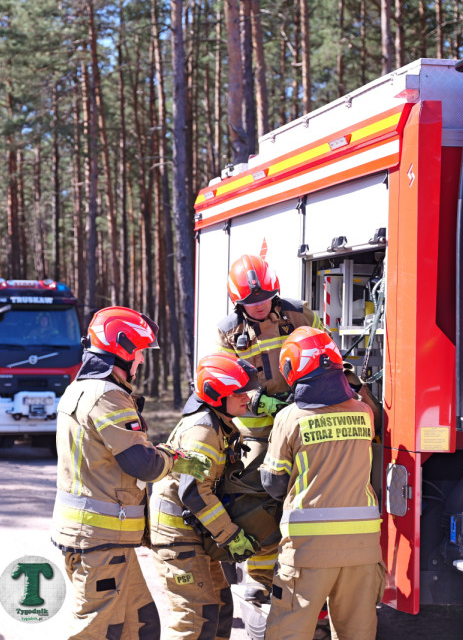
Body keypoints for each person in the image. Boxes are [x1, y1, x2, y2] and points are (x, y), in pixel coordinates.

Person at [52, 306, 212, 640]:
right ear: (124, 350)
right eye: (139, 352)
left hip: (103, 541)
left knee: (140, 626)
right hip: (99, 542)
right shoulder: (107, 395)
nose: (140, 361)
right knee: (94, 631)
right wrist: (174, 458)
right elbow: (143, 464)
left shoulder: (78, 389)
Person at [260, 326, 385, 639]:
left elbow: (273, 483)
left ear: (291, 370)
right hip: (362, 549)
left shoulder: (290, 418)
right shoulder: (363, 413)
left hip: (308, 552)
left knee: (288, 631)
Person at [215, 254, 325, 600]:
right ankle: (261, 578)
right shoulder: (229, 331)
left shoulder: (300, 314)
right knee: (258, 498)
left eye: (263, 298)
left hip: (303, 418)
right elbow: (226, 378)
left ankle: (309, 572)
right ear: (238, 301)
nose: (258, 306)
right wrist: (262, 402)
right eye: (250, 301)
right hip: (257, 430)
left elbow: (324, 350)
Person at [148, 353, 262, 640]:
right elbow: (194, 493)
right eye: (240, 393)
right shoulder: (203, 431)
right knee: (194, 617)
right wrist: (230, 535)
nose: (248, 398)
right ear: (217, 395)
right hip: (177, 535)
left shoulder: (219, 424)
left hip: (196, 533)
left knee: (220, 609)